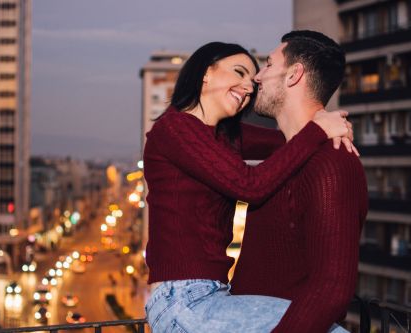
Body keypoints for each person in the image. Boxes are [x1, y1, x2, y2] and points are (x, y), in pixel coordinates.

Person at [144, 41, 353, 333]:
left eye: (252, 80)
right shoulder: (174, 128)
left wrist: (324, 125)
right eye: (239, 72)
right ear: (205, 73)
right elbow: (249, 186)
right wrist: (319, 130)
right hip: (183, 301)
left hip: (213, 295)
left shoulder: (225, 137)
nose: (248, 85)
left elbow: (290, 139)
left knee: (317, 324)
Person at [230, 30, 368, 333]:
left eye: (267, 64)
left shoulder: (332, 163)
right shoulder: (292, 153)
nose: (257, 77)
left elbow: (331, 289)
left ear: (294, 74)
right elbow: (216, 140)